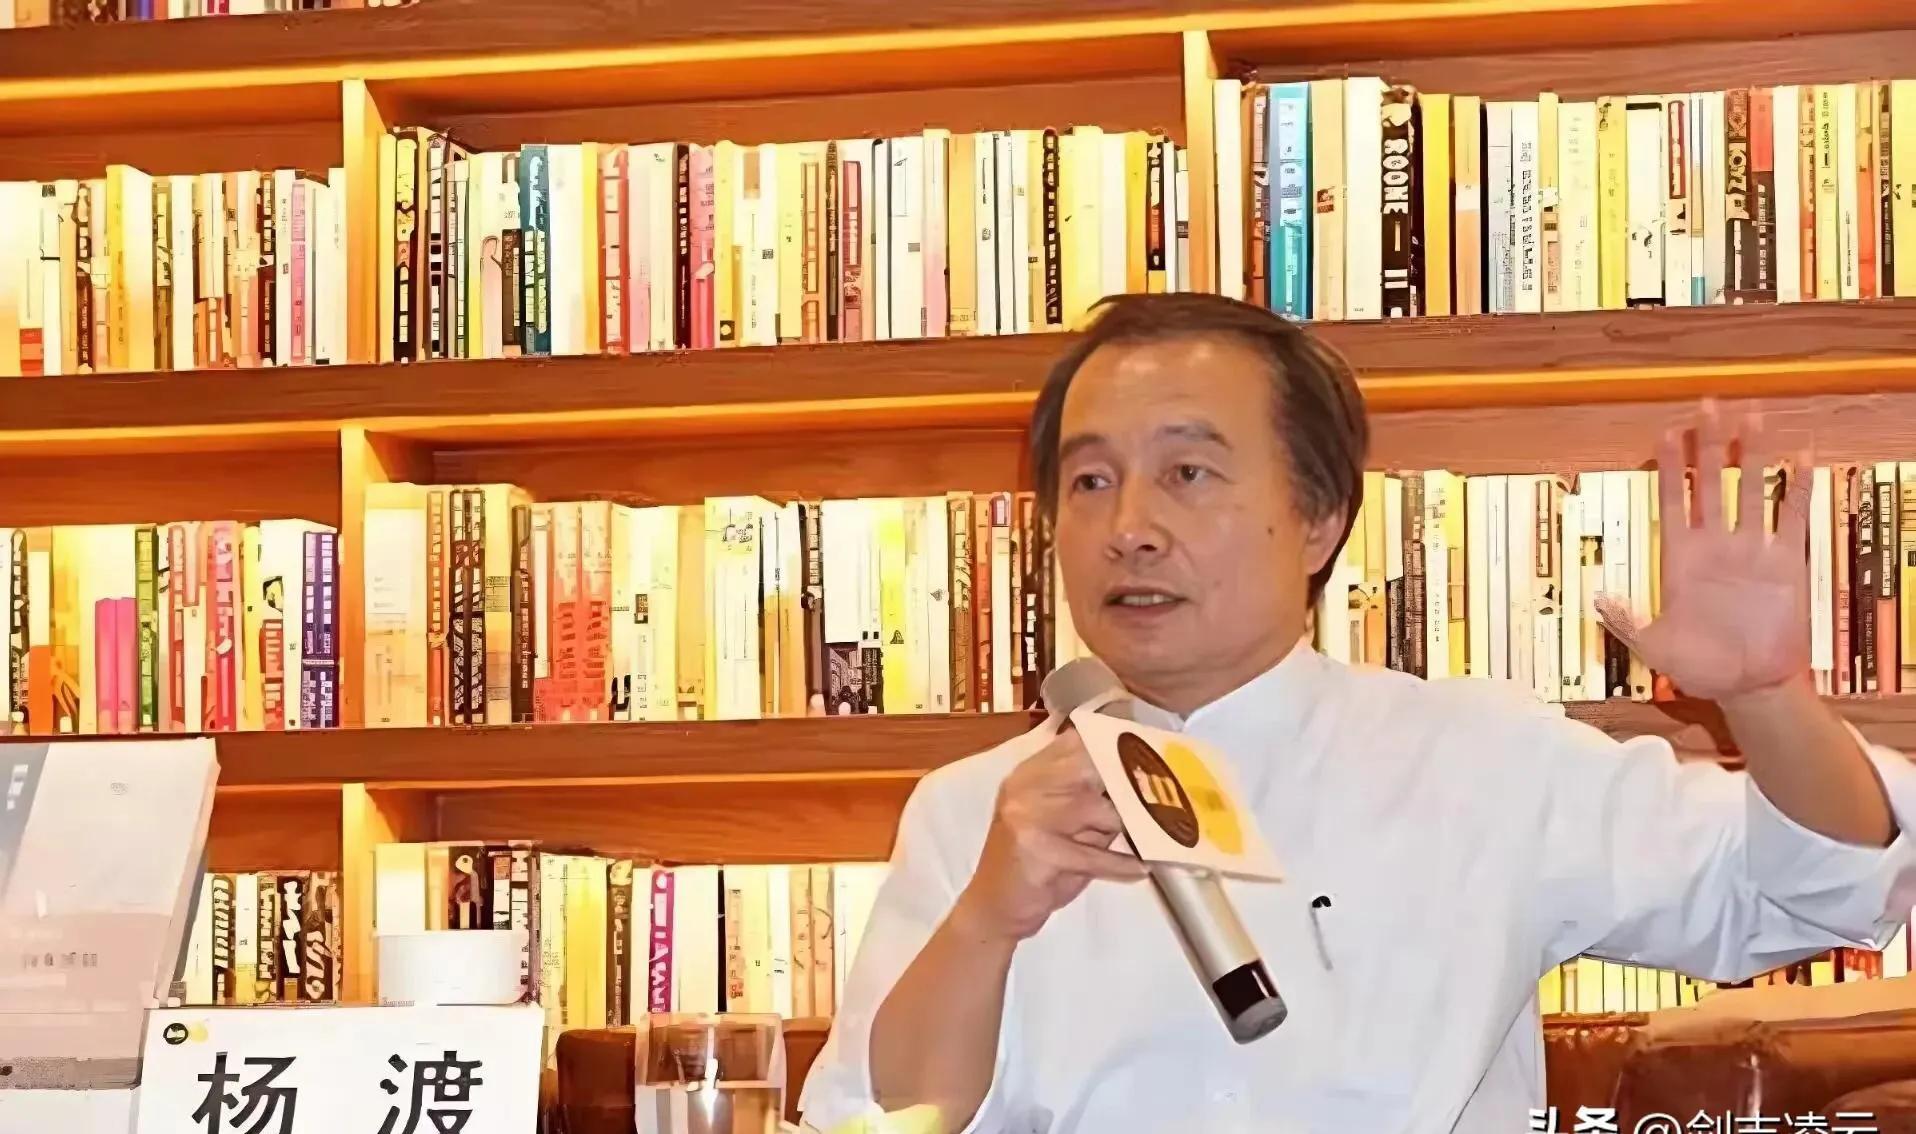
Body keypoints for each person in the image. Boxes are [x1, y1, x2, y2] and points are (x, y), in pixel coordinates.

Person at [796, 293, 1916, 1134]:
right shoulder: (972, 813)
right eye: (1089, 482)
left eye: (1187, 474)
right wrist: (986, 922)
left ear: (1320, 518)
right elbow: (870, 1122)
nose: (1128, 527)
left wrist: (1766, 698)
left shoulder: (1480, 760)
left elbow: (1820, 890)